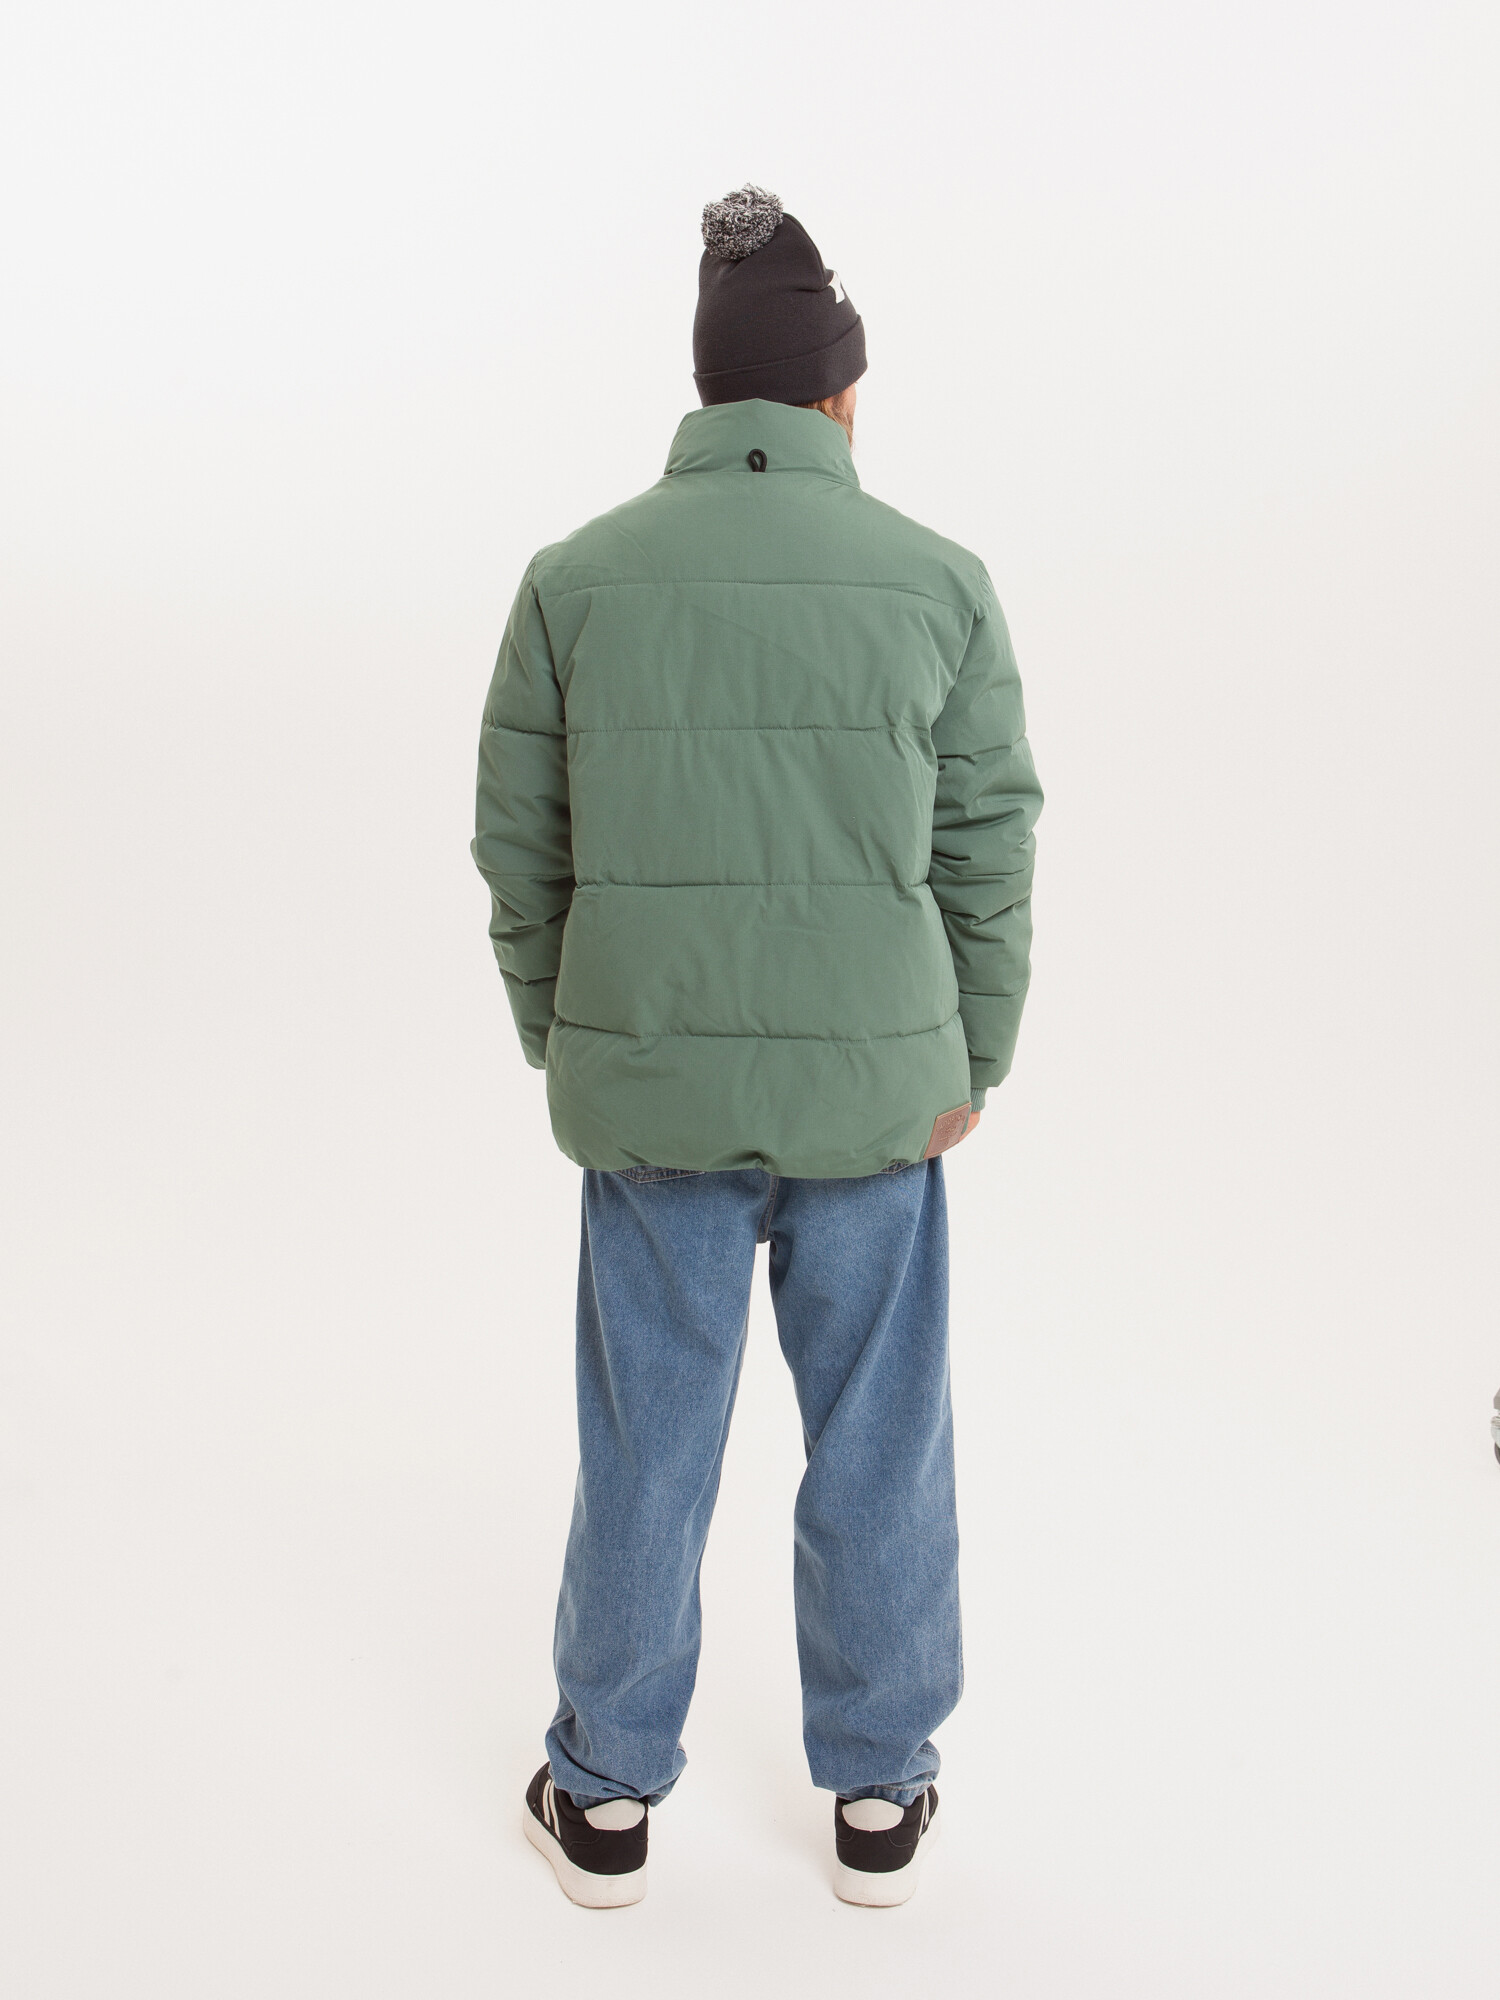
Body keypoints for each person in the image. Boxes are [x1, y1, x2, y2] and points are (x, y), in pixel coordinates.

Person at [472, 185, 1043, 1909]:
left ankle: (603, 1799)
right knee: (881, 1440)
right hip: (879, 1100)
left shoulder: (575, 582)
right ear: (839, 395)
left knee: (647, 1442)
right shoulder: (939, 583)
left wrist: (575, 1041)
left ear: (712, 391)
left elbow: (521, 849)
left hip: (653, 1097)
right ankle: (880, 1797)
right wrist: (971, 1061)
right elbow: (987, 846)